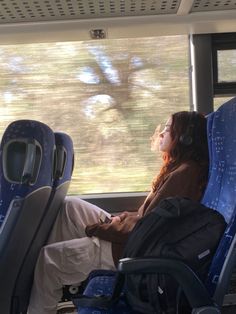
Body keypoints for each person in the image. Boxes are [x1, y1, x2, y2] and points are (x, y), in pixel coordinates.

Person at [28, 111, 209, 314]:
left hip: (132, 250)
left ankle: (47, 290)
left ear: (185, 138)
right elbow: (148, 217)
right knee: (70, 208)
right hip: (136, 237)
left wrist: (101, 229)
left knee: (47, 260)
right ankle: (61, 280)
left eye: (167, 129)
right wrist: (120, 219)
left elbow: (146, 228)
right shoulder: (178, 169)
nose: (161, 134)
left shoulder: (184, 175)